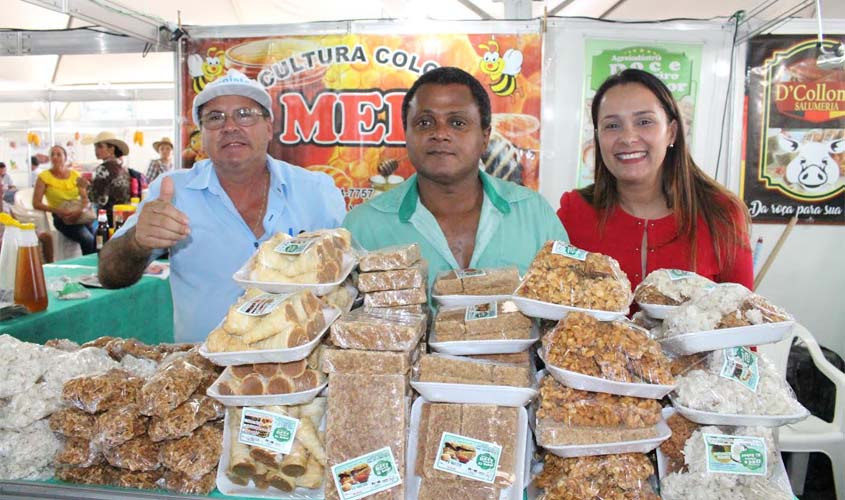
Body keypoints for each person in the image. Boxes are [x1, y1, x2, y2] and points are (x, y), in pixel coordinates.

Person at [98, 69, 345, 343]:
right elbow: (110, 275)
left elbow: (349, 279)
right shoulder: (172, 192)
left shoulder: (316, 191)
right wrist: (136, 243)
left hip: (300, 370)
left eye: (245, 114)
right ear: (202, 135)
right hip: (202, 373)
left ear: (269, 127)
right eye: (215, 118)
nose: (230, 126)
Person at [343, 67, 567, 286]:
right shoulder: (363, 227)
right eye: (424, 123)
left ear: (485, 137)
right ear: (406, 136)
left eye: (457, 123)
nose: (440, 133)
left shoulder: (534, 214)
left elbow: (567, 305)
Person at [557, 68, 753, 290]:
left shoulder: (721, 214)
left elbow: (741, 318)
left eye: (644, 122)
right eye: (612, 125)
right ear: (597, 137)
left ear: (672, 132)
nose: (628, 138)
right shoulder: (573, 212)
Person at [32, 145, 96, 255]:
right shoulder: (44, 177)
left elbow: (85, 198)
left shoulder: (75, 175)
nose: (55, 157)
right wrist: (59, 211)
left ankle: (96, 267)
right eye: (52, 154)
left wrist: (80, 211)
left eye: (58, 154)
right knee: (88, 239)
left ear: (65, 158)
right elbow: (36, 203)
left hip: (80, 214)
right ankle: (90, 269)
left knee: (96, 239)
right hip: (61, 217)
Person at [88, 131, 133, 226]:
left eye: (100, 146)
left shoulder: (103, 168)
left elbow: (100, 199)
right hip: (124, 215)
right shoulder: (123, 168)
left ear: (111, 149)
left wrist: (86, 187)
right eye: (95, 147)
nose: (96, 150)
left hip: (108, 217)